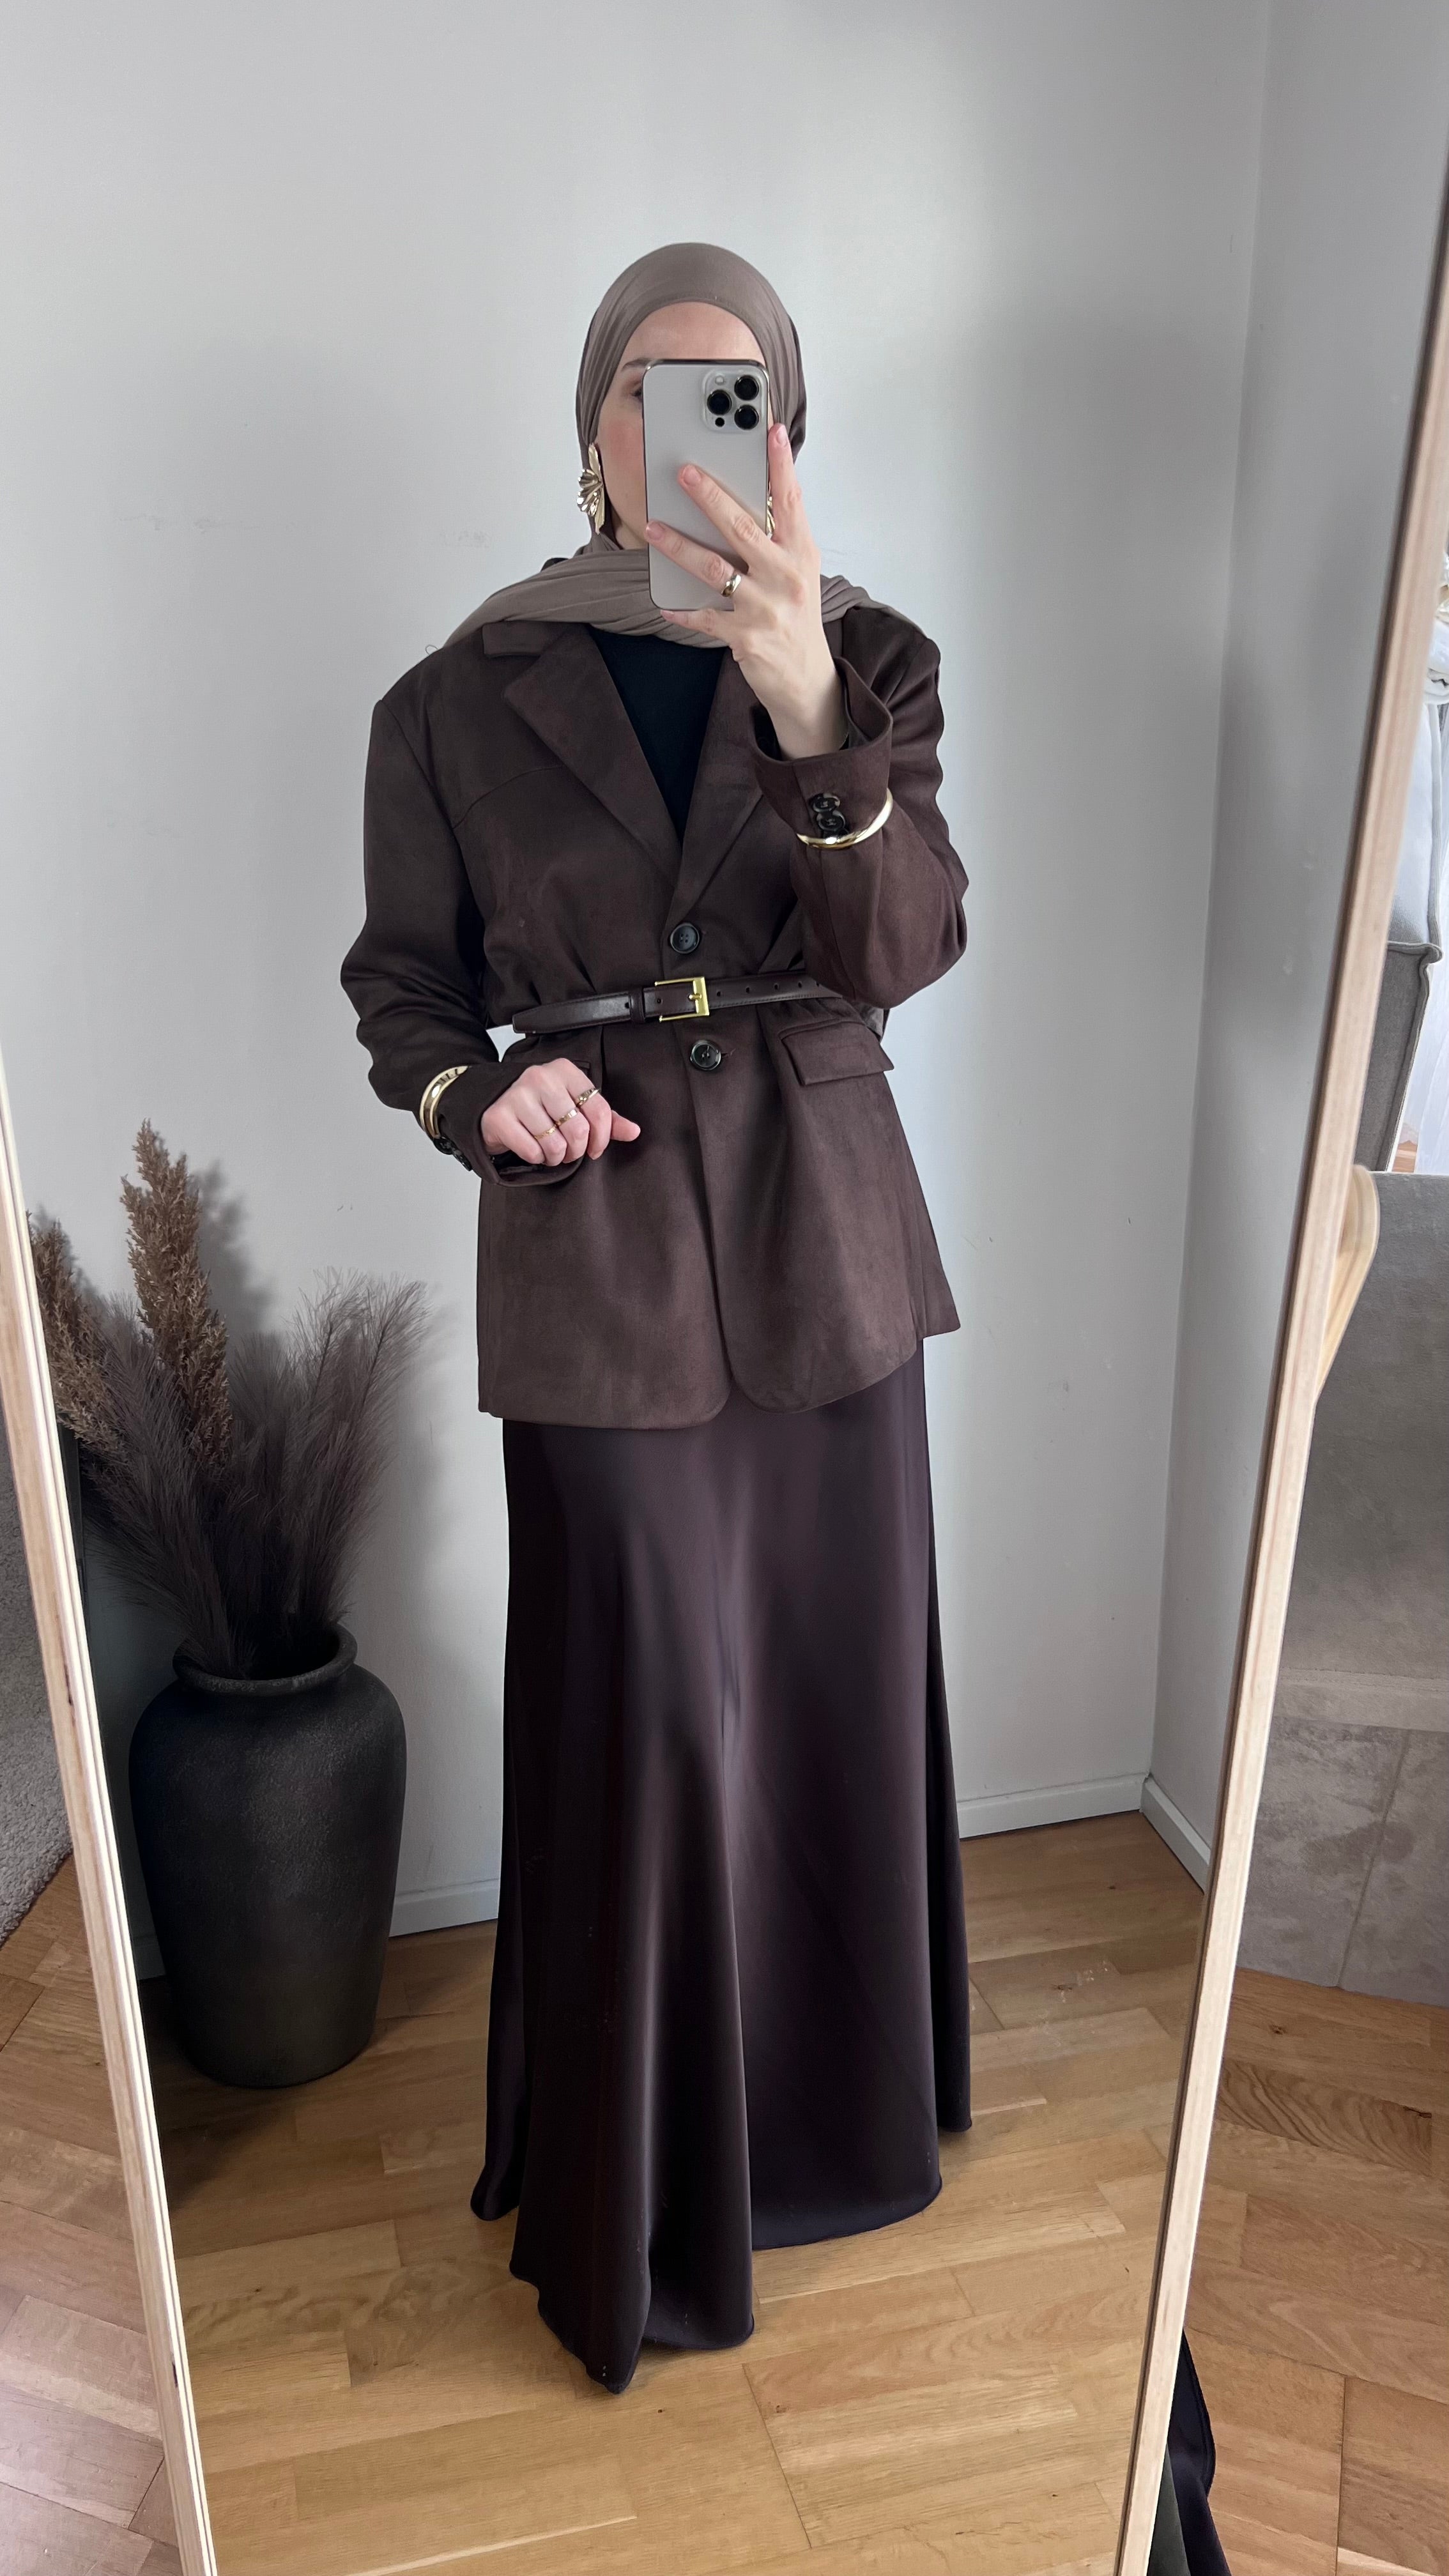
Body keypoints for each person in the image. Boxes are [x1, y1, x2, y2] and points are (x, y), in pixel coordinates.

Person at [341, 240, 973, 2395]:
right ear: (589, 424)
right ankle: (641, 2185)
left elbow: (900, 953)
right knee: (645, 1711)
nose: (691, 427)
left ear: (787, 432)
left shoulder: (864, 658)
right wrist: (473, 1096)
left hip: (824, 1226)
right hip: (594, 1227)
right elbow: (404, 992)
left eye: (739, 394)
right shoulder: (452, 696)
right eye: (648, 385)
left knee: (820, 1682)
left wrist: (809, 717)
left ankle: (837, 2129)